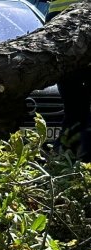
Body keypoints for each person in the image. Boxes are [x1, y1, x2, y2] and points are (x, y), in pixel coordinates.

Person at [47, 0, 90, 161]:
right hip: (80, 17)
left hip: (57, 18)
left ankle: (64, 161)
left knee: (75, 109)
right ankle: (80, 163)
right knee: (78, 109)